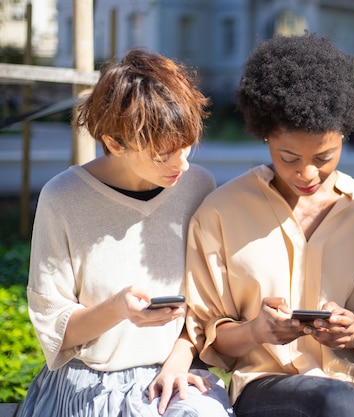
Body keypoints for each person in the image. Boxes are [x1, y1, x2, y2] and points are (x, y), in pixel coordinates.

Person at [151, 34, 354, 417]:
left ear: (345, 134)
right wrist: (256, 331)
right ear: (265, 137)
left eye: (325, 156)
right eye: (289, 157)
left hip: (348, 387)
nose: (308, 172)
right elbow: (205, 335)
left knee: (340, 403)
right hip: (263, 387)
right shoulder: (221, 212)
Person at [20, 48, 233, 417]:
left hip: (176, 375)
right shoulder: (63, 198)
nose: (179, 165)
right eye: (162, 154)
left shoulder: (198, 186)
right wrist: (118, 309)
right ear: (115, 143)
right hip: (87, 383)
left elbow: (207, 305)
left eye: (186, 149)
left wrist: (178, 362)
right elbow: (57, 332)